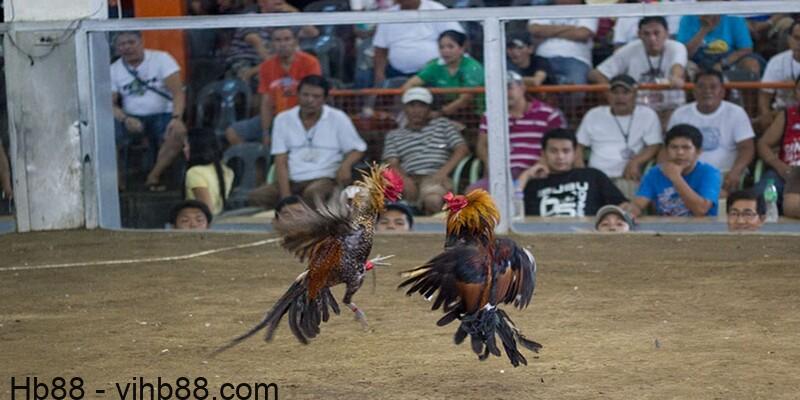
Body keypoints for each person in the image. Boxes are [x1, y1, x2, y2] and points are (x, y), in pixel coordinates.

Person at [247, 75, 367, 209]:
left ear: (325, 99)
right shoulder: (283, 119)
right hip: (293, 180)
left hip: (325, 178)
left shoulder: (338, 118)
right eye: (305, 95)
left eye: (316, 97)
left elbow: (358, 149)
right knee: (257, 196)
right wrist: (286, 197)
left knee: (313, 194)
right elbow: (280, 160)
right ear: (297, 94)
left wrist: (345, 165)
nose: (310, 100)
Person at [111, 31, 188, 191]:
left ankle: (153, 176)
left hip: (164, 114)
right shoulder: (114, 69)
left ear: (141, 42)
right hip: (131, 117)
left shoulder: (161, 59)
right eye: (122, 44)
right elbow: (109, 105)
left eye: (131, 42)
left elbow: (178, 93)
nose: (127, 47)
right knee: (108, 137)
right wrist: (125, 119)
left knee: (177, 133)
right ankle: (118, 186)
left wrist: (177, 118)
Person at [468, 71, 566, 192]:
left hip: (537, 172)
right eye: (499, 89)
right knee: (473, 194)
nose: (504, 93)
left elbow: (557, 144)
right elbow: (482, 145)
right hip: (501, 174)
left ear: (522, 88)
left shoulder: (548, 114)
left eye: (509, 88)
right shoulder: (490, 115)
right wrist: (491, 167)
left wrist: (537, 168)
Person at [224, 26, 322, 146]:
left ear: (295, 42)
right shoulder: (266, 67)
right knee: (233, 132)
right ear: (272, 44)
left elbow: (314, 98)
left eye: (287, 39)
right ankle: (258, 163)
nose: (283, 44)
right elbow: (266, 102)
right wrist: (266, 132)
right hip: (276, 116)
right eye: (278, 40)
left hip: (303, 117)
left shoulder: (310, 62)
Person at [382, 87, 470, 215]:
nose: (416, 111)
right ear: (405, 109)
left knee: (432, 200)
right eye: (412, 105)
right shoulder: (394, 135)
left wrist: (442, 173)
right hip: (407, 177)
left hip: (435, 177)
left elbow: (462, 149)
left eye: (422, 106)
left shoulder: (443, 125)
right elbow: (392, 162)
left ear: (429, 109)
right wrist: (404, 180)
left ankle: (435, 234)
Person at [667, 69, 755, 194]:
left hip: (724, 174)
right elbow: (667, 148)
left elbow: (747, 148)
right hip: (686, 174)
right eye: (701, 87)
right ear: (694, 91)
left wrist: (736, 171)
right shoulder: (680, 114)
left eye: (713, 87)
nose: (707, 91)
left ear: (723, 92)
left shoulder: (736, 113)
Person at [576, 74, 662, 200]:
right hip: (597, 177)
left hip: (627, 177)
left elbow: (654, 145)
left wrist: (636, 161)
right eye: (615, 92)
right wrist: (582, 173)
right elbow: (578, 146)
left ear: (635, 94)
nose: (620, 97)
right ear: (608, 95)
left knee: (627, 210)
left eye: (625, 92)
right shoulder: (594, 114)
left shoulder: (647, 115)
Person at [520, 128, 629, 217]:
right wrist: (527, 175)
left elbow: (622, 206)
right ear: (543, 153)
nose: (560, 157)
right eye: (553, 151)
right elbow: (511, 209)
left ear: (575, 153)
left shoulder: (592, 176)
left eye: (566, 151)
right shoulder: (533, 183)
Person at [589, 16, 687, 116]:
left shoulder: (677, 47)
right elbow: (596, 74)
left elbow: (677, 66)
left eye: (656, 33)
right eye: (646, 34)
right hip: (638, 112)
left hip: (670, 109)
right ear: (639, 35)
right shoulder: (630, 49)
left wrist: (675, 77)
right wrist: (613, 97)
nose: (652, 38)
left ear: (666, 34)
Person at [630, 124, 722, 217]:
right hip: (665, 228)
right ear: (666, 151)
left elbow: (701, 210)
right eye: (674, 147)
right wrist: (631, 210)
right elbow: (639, 204)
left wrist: (675, 177)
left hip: (702, 228)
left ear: (698, 151)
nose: (679, 152)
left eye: (686, 147)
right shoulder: (655, 173)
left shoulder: (709, 173)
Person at [372, 0, 464, 86]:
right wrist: (379, 74)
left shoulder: (435, 9)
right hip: (396, 73)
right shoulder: (388, 15)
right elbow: (380, 49)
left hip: (433, 73)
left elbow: (458, 39)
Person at [401, 30, 485, 117]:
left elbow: (465, 100)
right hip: (444, 110)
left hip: (474, 113)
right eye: (441, 47)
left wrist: (438, 114)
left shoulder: (473, 67)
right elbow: (409, 85)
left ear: (462, 48)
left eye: (450, 47)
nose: (445, 51)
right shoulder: (435, 65)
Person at [527, 0, 598, 86]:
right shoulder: (544, 9)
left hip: (576, 59)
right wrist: (570, 28)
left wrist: (548, 31)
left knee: (576, 89)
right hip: (543, 58)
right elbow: (535, 30)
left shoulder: (588, 9)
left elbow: (582, 34)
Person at [755, 75, 800, 209]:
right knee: (760, 196)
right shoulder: (787, 114)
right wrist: (779, 166)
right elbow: (763, 144)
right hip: (787, 172)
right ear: (795, 93)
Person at [677, 8, 761, 77]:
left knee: (751, 64)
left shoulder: (733, 17)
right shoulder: (687, 18)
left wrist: (722, 64)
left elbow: (746, 48)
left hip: (727, 60)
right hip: (697, 62)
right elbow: (685, 53)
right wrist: (704, 30)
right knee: (681, 69)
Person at [757, 21, 800, 131]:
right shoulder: (777, 62)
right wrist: (765, 114)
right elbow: (764, 95)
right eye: (796, 38)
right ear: (789, 39)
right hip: (782, 113)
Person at [184, 128, 235, 216]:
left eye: (187, 145)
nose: (184, 149)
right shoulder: (227, 171)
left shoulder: (194, 173)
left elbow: (207, 209)